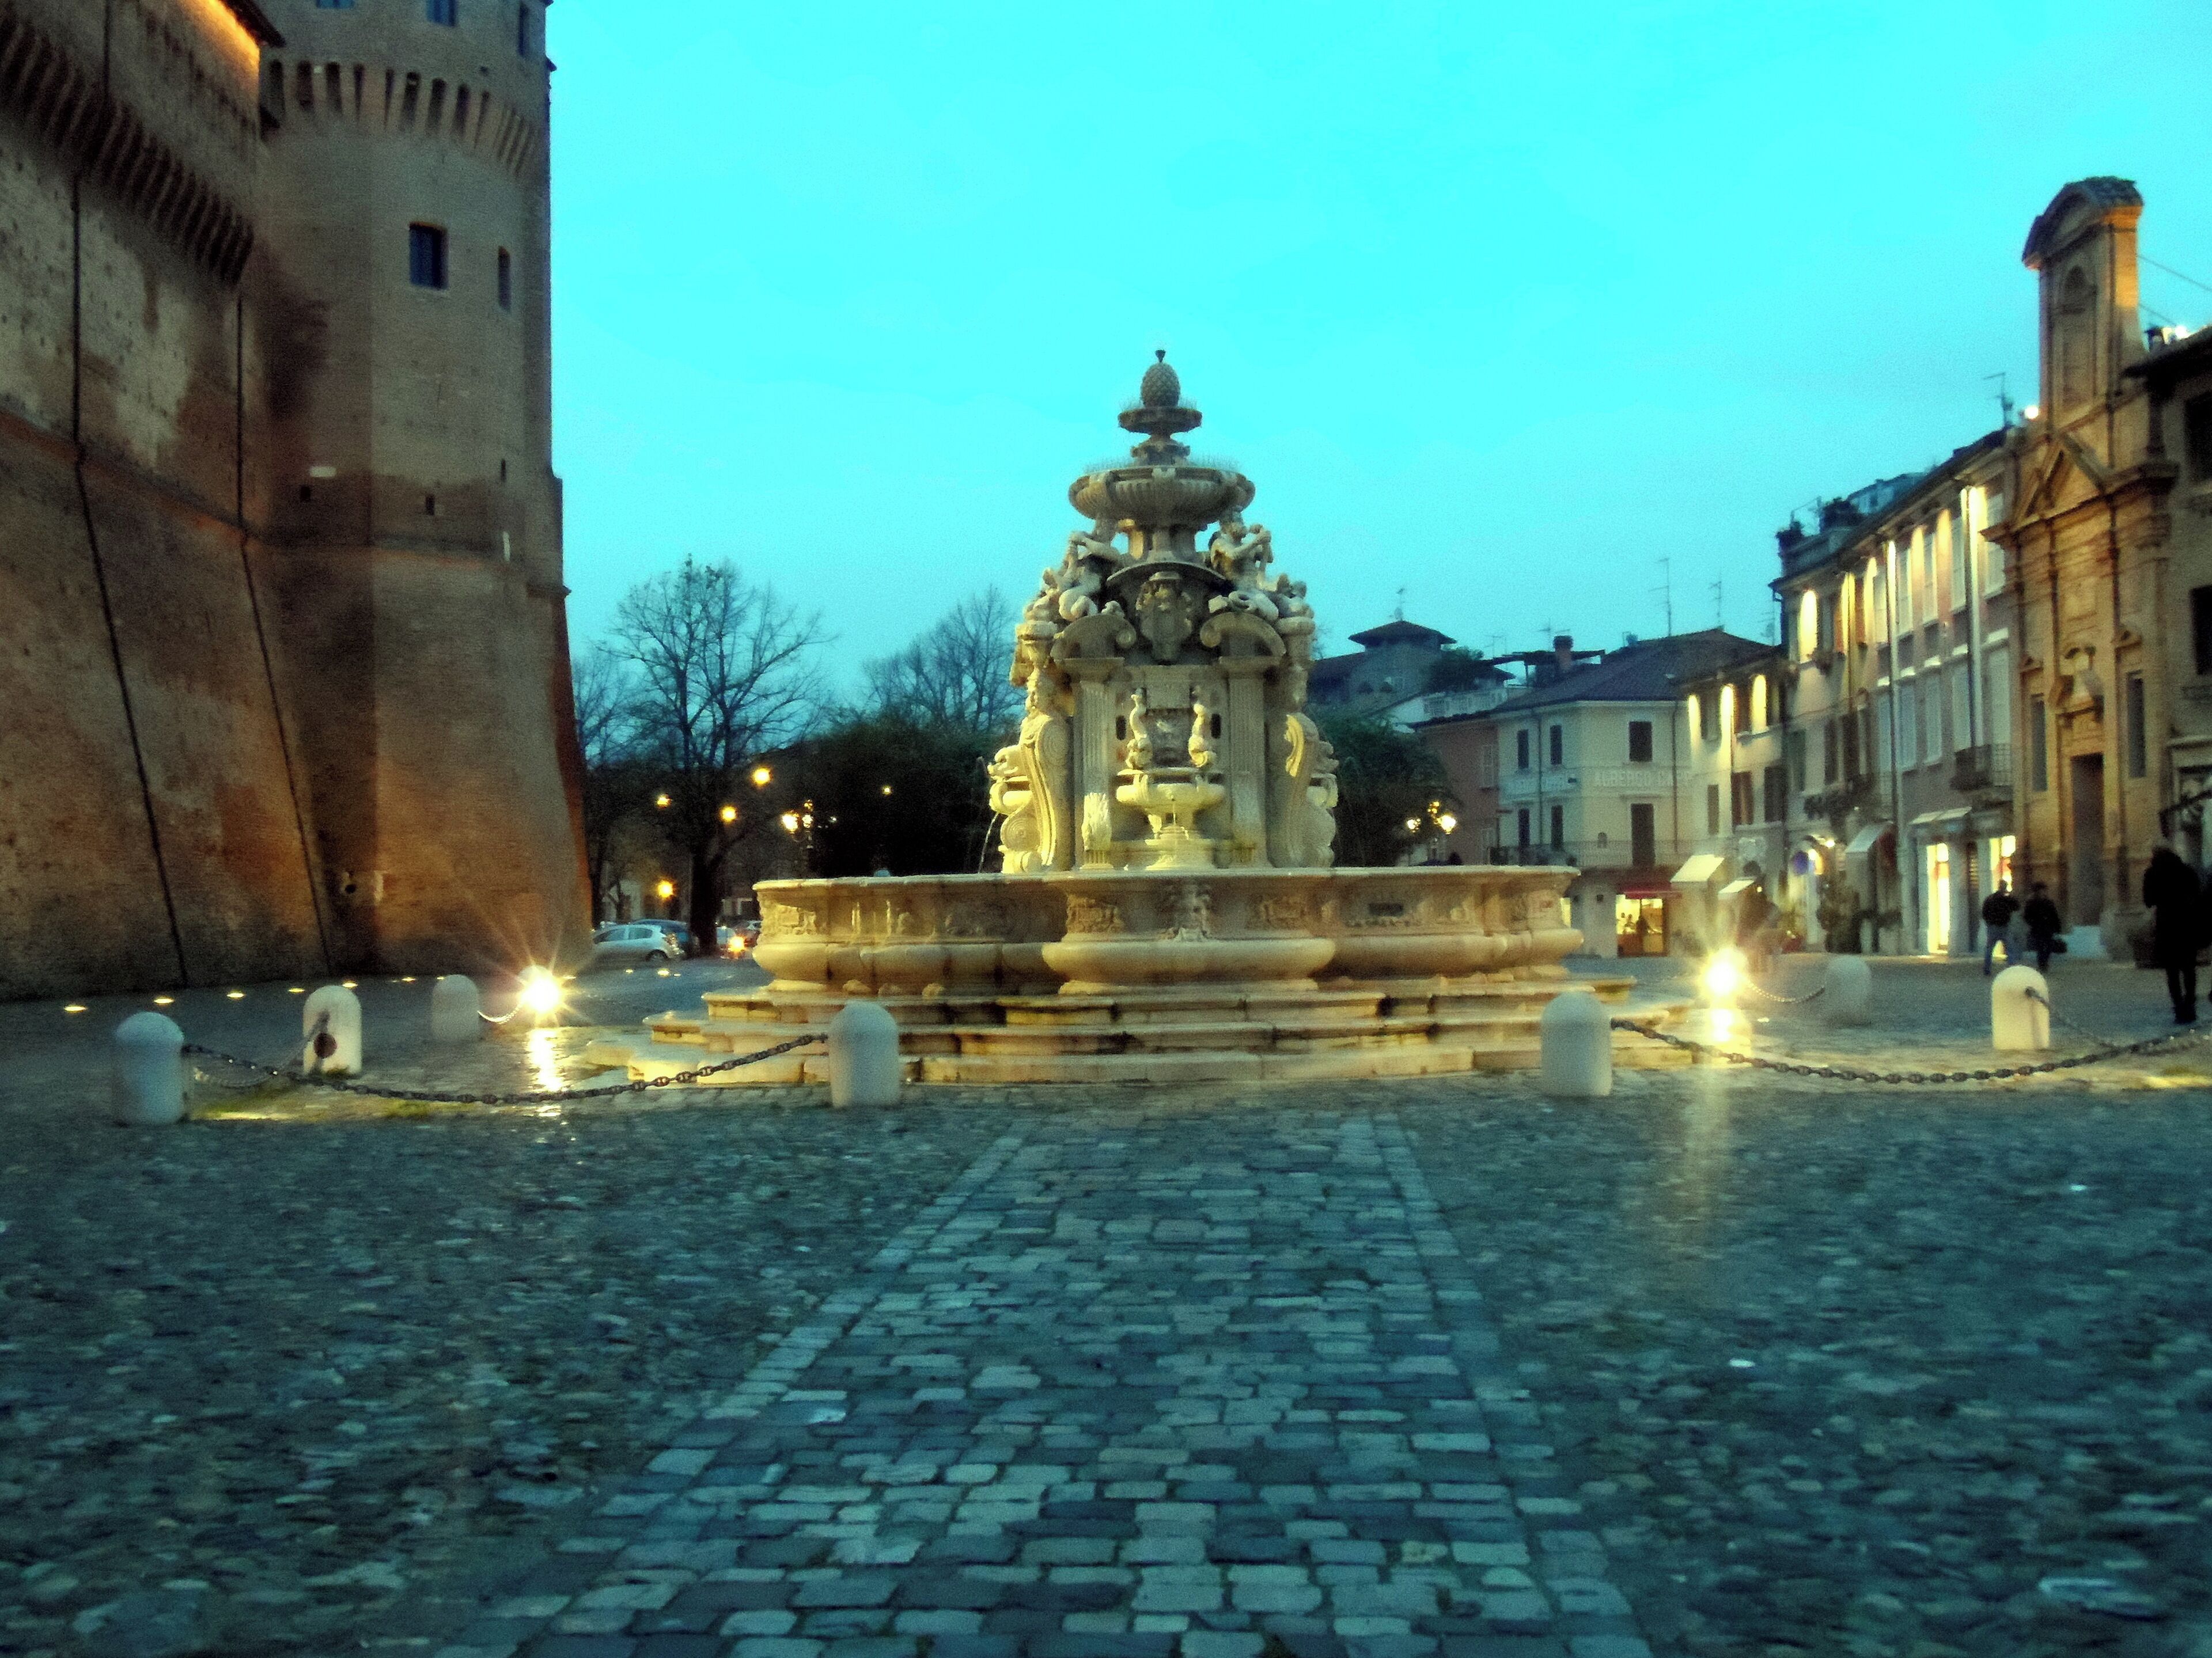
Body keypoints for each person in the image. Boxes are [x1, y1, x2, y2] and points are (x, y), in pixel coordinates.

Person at [2145, 843, 2203, 1024]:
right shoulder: (2186, 870)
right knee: (2189, 969)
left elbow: (2148, 901)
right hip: (2187, 924)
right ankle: (2190, 1005)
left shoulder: (2152, 874)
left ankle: (2178, 1008)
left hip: (2167, 925)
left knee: (2172, 972)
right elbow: (2198, 894)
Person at [1979, 882, 2021, 975]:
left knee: (1989, 949)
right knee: (2010, 949)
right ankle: (2011, 968)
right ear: (2005, 888)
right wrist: (2010, 895)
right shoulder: (2007, 899)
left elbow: (1984, 913)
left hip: (1992, 927)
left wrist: (1989, 923)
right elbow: (2017, 907)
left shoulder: (1990, 899)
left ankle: (1987, 968)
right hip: (2004, 927)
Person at [2022, 881, 2063, 973]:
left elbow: (2054, 915)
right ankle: (2042, 964)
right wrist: (2033, 923)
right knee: (2040, 947)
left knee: (2048, 947)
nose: (2044, 892)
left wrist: (2057, 927)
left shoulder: (2049, 902)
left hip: (2048, 928)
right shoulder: (2031, 903)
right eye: (2042, 891)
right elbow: (2027, 916)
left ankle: (2045, 963)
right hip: (2038, 928)